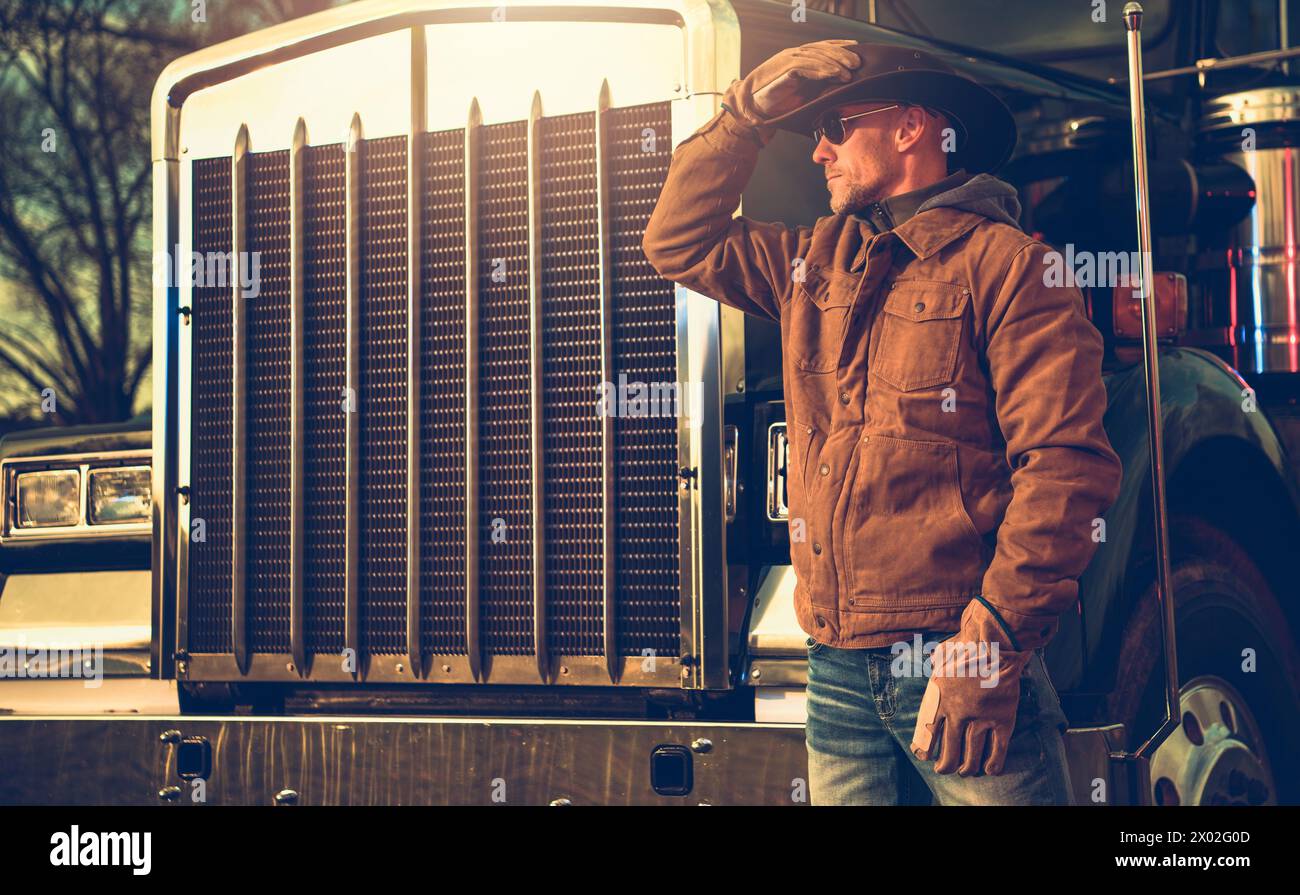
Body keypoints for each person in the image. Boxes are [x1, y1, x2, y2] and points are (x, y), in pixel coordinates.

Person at [642, 40, 1123, 805]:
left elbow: (1065, 468)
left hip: (955, 652)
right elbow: (677, 242)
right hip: (834, 666)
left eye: (834, 126)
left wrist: (991, 647)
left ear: (911, 129)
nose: (819, 152)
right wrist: (744, 114)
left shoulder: (1010, 267)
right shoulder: (814, 264)